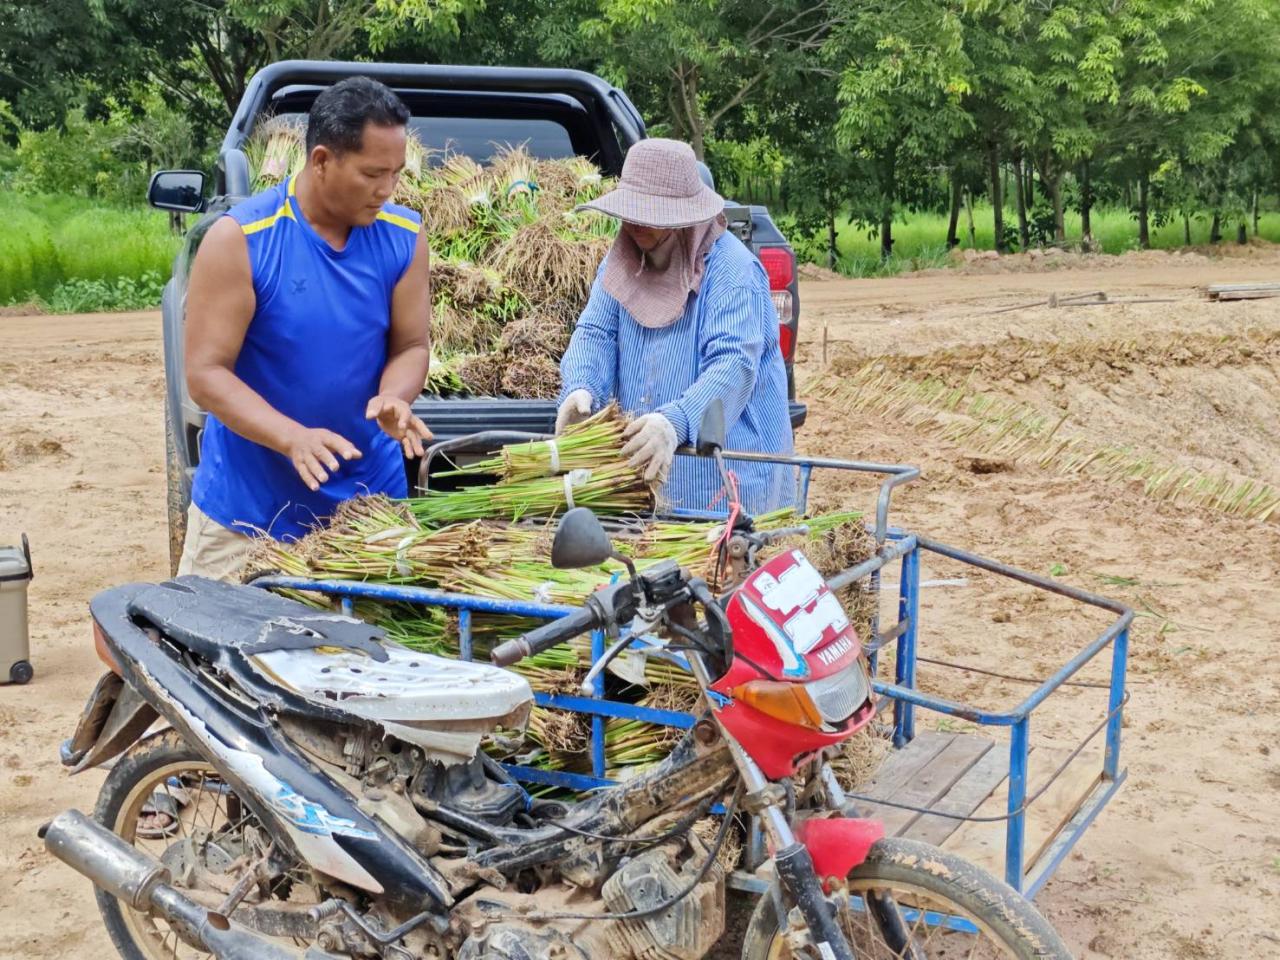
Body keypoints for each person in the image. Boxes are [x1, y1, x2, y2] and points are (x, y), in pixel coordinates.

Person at [179, 76, 432, 579]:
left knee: (377, 654)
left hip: (368, 516)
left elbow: (411, 344)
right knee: (213, 651)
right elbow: (206, 374)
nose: (387, 189)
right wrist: (292, 438)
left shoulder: (404, 237)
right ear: (321, 161)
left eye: (396, 174)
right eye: (371, 174)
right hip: (246, 518)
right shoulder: (241, 240)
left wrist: (394, 396)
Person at [556, 138, 794, 515]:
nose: (635, 223)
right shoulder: (621, 259)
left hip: (723, 489)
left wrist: (675, 422)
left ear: (683, 216)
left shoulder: (732, 271)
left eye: (649, 213)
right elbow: (595, 333)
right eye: (630, 211)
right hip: (648, 485)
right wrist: (581, 388)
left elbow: (732, 366)